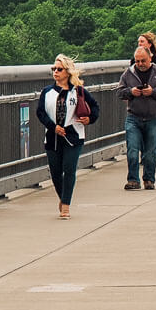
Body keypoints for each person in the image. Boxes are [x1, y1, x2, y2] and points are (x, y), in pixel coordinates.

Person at [36, 54, 100, 219]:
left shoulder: (78, 91)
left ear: (67, 72)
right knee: (56, 172)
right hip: (52, 137)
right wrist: (53, 127)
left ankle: (65, 206)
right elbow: (40, 112)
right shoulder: (47, 92)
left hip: (73, 136)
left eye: (59, 69)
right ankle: (63, 197)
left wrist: (89, 119)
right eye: (53, 69)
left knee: (69, 169)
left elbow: (94, 107)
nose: (55, 72)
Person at [117, 47, 156, 189]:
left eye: (143, 61)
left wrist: (153, 92)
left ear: (150, 59)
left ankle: (149, 179)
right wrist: (131, 92)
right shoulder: (128, 73)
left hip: (152, 117)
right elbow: (119, 92)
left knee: (150, 152)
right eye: (137, 61)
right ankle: (133, 180)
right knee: (133, 150)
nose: (140, 64)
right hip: (133, 117)